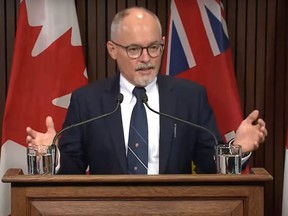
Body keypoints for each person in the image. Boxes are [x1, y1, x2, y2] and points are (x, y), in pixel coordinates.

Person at [26, 7, 267, 174]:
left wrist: (238, 149)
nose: (146, 58)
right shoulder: (87, 101)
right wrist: (52, 156)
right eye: (133, 49)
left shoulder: (190, 98)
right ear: (112, 49)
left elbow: (209, 164)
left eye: (154, 47)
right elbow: (73, 168)